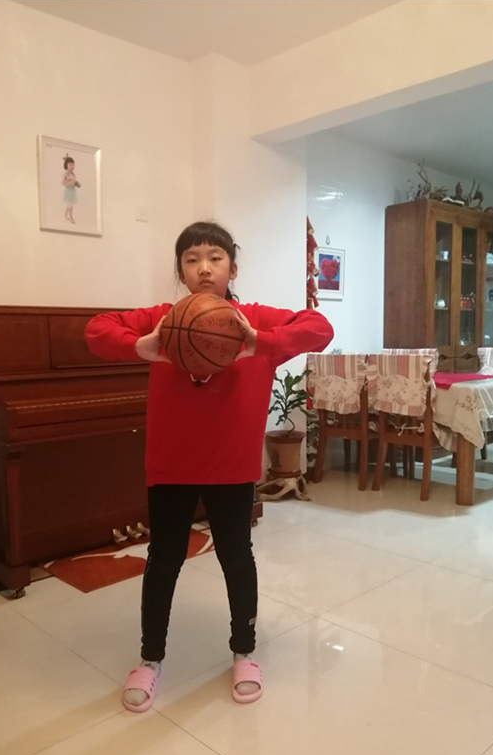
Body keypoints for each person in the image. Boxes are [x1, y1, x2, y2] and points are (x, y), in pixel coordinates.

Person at [85, 221, 334, 712]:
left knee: (236, 557)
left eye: (215, 258)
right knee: (163, 560)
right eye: (192, 259)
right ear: (180, 270)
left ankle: (244, 652)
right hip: (171, 464)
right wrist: (141, 346)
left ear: (232, 268)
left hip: (232, 466)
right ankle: (150, 659)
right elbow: (96, 330)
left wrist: (259, 341)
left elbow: (320, 328)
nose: (204, 268)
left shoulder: (254, 318)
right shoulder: (164, 320)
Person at [62, 155, 81, 224]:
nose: (72, 166)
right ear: (66, 165)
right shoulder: (65, 174)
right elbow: (63, 183)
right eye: (70, 164)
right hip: (68, 191)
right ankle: (70, 216)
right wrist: (70, 183)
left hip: (73, 191)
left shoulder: (73, 174)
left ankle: (65, 215)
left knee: (70, 204)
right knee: (70, 205)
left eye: (73, 165)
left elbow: (74, 180)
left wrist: (76, 183)